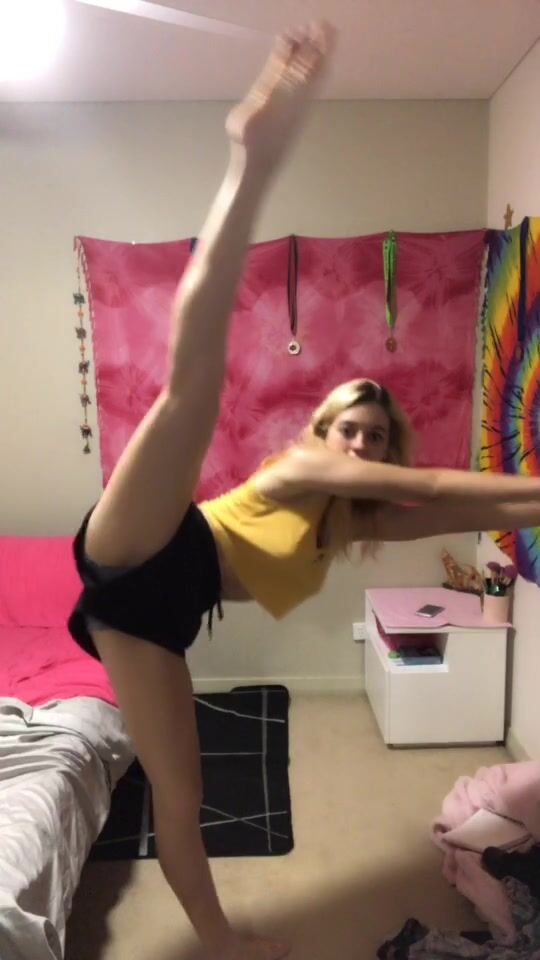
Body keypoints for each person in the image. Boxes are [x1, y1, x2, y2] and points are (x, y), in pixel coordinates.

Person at [68, 22, 540, 960]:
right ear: (324, 433)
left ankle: (217, 940)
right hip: (151, 541)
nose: (360, 441)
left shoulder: (343, 515)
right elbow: (434, 481)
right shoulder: (300, 467)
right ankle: (251, 163)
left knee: (182, 797)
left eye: (375, 432)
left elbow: (458, 508)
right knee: (191, 385)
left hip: (152, 616)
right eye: (348, 427)